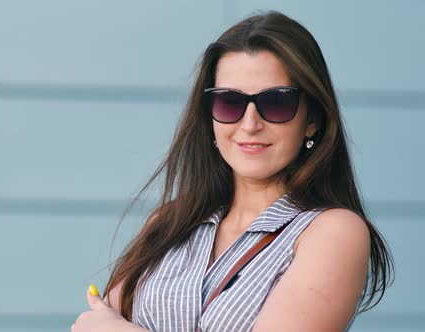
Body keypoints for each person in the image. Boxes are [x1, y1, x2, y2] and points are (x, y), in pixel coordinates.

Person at [72, 10, 393, 332]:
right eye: (229, 102)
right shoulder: (171, 222)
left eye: (276, 102)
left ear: (312, 119)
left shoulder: (331, 232)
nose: (250, 124)